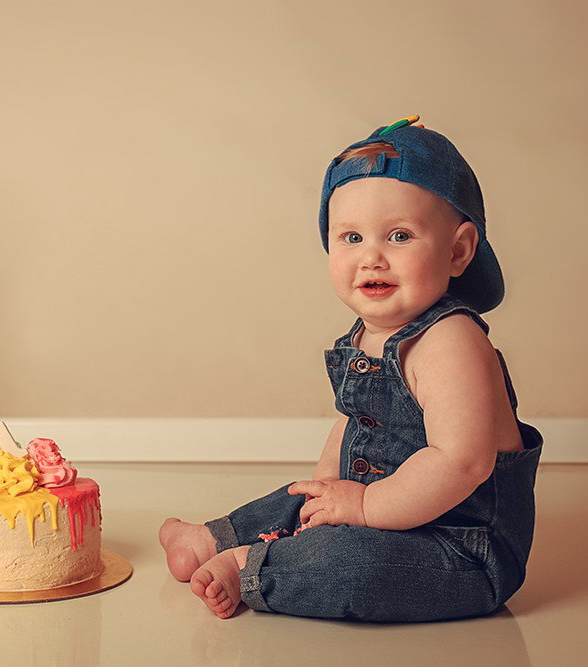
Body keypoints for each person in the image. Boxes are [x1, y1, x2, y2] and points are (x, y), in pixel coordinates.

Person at [159, 116, 543, 622]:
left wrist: (361, 510)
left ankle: (254, 566)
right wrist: (329, 493)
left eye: (399, 235)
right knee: (301, 498)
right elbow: (356, 422)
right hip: (382, 507)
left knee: (353, 567)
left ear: (457, 250)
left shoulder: (453, 341)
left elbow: (463, 462)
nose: (372, 258)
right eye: (351, 238)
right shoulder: (367, 334)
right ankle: (211, 536)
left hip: (459, 547)